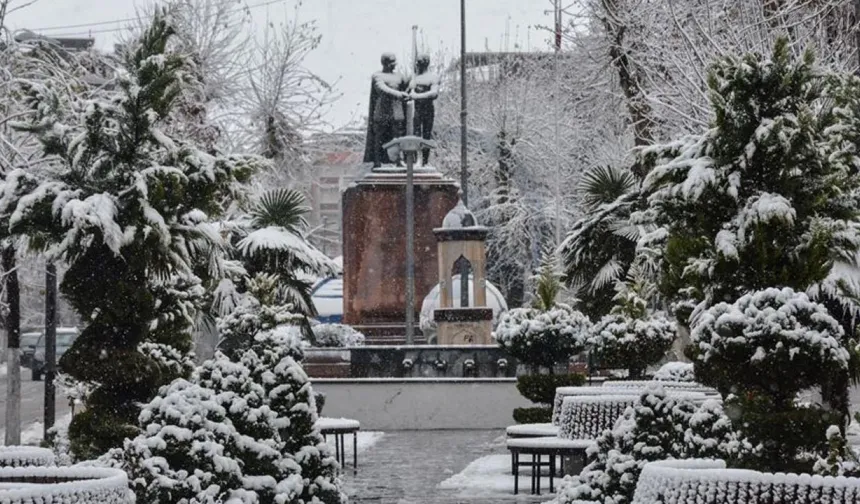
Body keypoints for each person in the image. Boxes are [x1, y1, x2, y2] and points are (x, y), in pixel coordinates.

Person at [363, 53, 410, 168]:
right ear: (386, 63)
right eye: (392, 63)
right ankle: (377, 161)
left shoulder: (399, 76)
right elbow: (382, 89)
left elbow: (407, 85)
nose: (394, 65)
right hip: (382, 112)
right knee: (379, 138)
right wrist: (399, 94)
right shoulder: (377, 76)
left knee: (397, 138)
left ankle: (398, 160)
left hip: (397, 112)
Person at [409, 53, 439, 166]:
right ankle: (416, 160)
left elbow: (434, 93)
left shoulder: (433, 77)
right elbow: (408, 92)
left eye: (420, 62)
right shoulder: (414, 78)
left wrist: (416, 96)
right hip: (417, 110)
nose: (417, 64)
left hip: (428, 109)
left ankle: (425, 161)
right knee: (415, 134)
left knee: (426, 135)